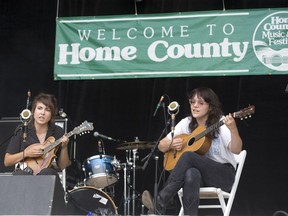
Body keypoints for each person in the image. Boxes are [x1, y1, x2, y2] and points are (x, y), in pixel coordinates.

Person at [142, 87, 243, 215]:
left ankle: (161, 201)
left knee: (188, 156)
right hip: (201, 177)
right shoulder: (186, 123)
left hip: (223, 175)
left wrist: (233, 129)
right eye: (192, 102)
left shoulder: (221, 122)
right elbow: (161, 146)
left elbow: (237, 149)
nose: (195, 106)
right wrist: (171, 144)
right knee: (191, 173)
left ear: (210, 107)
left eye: (200, 103)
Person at [4, 92, 71, 176]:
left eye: (47, 110)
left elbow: (62, 166)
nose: (42, 113)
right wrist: (25, 153)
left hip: (47, 174)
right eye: (39, 108)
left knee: (47, 173)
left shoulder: (58, 132)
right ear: (33, 111)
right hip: (25, 173)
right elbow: (7, 161)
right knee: (21, 175)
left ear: (52, 115)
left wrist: (64, 147)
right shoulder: (22, 129)